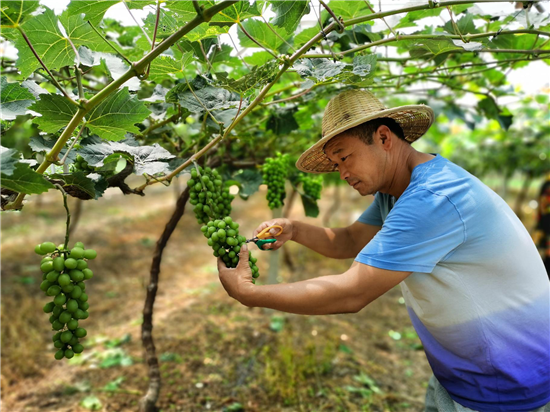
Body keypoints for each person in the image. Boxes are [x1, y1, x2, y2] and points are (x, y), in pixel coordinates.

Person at [217, 90, 550, 412]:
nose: (343, 174)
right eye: (335, 165)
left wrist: (248, 293)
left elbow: (352, 294)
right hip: (463, 374)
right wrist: (295, 229)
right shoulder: (396, 192)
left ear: (384, 138)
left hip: (506, 385)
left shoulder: (431, 198)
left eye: (345, 157)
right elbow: (348, 241)